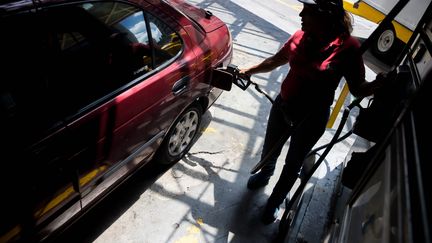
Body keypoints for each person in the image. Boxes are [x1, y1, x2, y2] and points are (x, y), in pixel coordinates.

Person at [240, 0, 387, 224]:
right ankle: (265, 173)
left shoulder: (348, 48)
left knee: (293, 162)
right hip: (283, 106)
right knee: (270, 147)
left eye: (307, 11)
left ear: (325, 16)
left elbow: (358, 88)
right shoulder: (300, 36)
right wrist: (248, 70)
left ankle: (276, 200)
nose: (300, 14)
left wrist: (377, 85)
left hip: (311, 118)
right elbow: (276, 60)